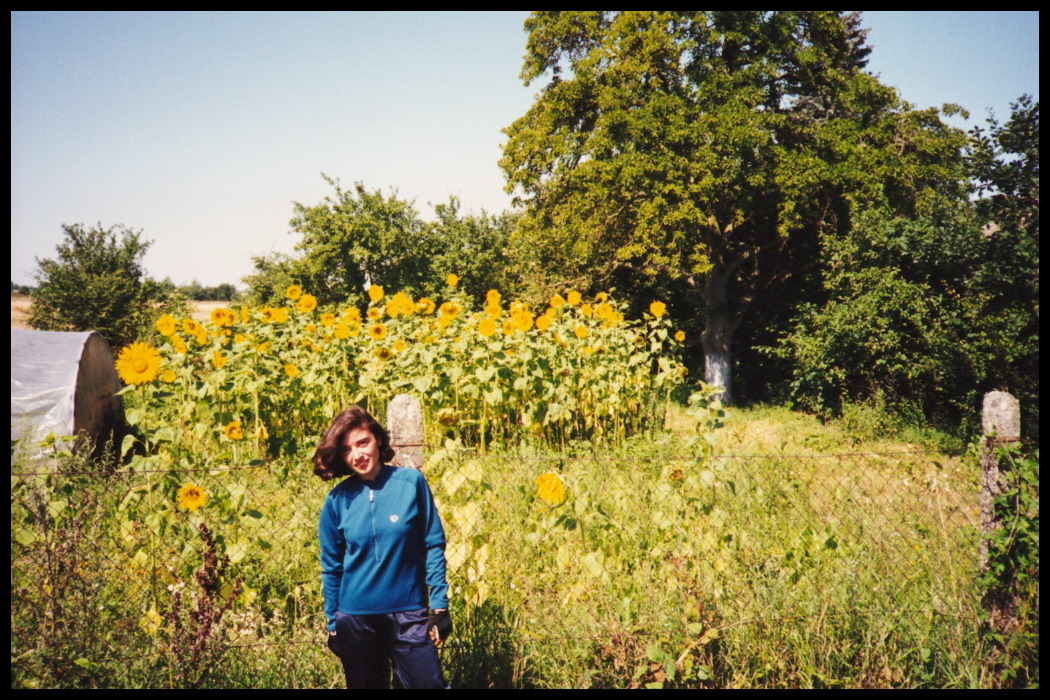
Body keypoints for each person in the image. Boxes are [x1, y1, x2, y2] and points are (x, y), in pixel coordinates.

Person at [314, 405, 452, 689]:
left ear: (377, 439)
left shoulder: (411, 483)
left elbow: (433, 544)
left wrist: (439, 607)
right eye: (346, 449)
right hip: (356, 620)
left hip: (410, 614)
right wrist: (332, 624)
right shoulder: (337, 500)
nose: (357, 454)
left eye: (362, 442)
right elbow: (332, 568)